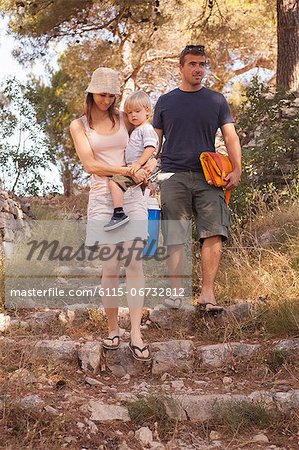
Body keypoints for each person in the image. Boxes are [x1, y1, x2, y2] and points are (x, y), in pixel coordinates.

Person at [70, 67, 151, 361]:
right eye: (102, 94)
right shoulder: (78, 125)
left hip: (131, 195)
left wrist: (147, 166)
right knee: (111, 267)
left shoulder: (123, 118)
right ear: (91, 93)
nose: (106, 100)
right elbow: (91, 165)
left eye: (111, 95)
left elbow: (146, 142)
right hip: (102, 199)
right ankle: (113, 328)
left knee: (134, 265)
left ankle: (136, 333)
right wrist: (126, 170)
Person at [153, 45, 242, 312]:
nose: (198, 69)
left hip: (209, 177)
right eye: (192, 64)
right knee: (175, 234)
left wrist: (236, 169)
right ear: (180, 67)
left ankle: (207, 294)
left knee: (214, 232)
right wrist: (147, 170)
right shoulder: (165, 101)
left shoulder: (216, 100)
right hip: (172, 175)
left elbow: (230, 136)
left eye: (202, 64)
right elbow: (153, 142)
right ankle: (176, 293)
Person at [104, 91, 159, 231]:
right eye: (129, 113)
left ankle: (119, 214)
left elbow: (151, 147)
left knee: (114, 182)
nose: (133, 115)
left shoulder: (146, 129)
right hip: (134, 169)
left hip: (136, 168)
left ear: (147, 111)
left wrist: (138, 163)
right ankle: (123, 215)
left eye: (137, 111)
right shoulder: (137, 129)